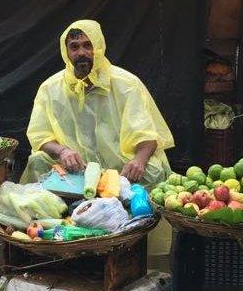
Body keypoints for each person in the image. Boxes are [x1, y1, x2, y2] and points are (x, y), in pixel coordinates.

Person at [20, 19, 174, 186]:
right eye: (74, 46)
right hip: (75, 169)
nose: (81, 53)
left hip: (121, 169)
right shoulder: (50, 88)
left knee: (153, 170)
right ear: (66, 51)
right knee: (37, 161)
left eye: (88, 45)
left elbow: (149, 135)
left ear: (99, 47)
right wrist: (63, 151)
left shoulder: (127, 84)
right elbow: (40, 135)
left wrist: (138, 161)